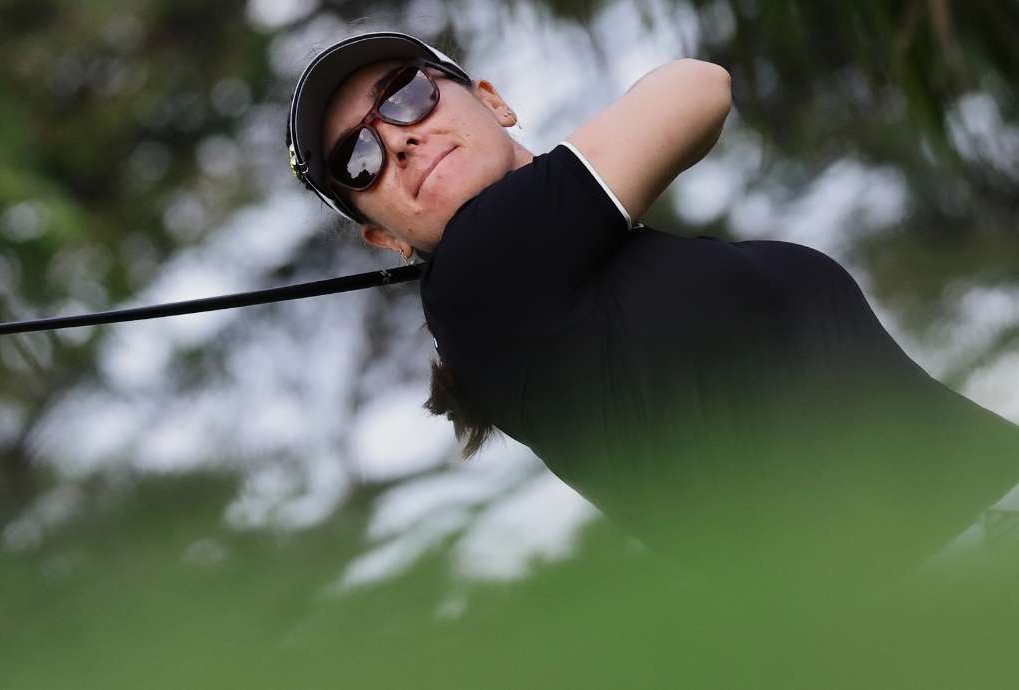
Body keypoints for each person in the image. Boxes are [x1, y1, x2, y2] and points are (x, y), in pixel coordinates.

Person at [286, 32, 1019, 590]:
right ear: (384, 237)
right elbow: (695, 87)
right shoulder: (479, 273)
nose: (399, 139)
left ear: (493, 99)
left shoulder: (567, 283)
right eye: (358, 160)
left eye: (407, 95)